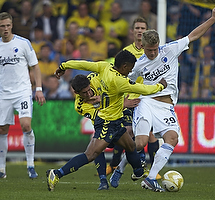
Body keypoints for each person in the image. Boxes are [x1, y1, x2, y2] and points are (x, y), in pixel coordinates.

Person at [127, 4, 215, 192]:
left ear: (158, 45)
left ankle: (151, 178)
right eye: (149, 50)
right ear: (143, 47)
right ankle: (122, 160)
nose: (153, 53)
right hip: (146, 102)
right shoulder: (139, 64)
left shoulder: (170, 50)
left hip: (166, 106)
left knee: (172, 138)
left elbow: (193, 35)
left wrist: (212, 19)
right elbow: (126, 82)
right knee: (140, 144)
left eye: (155, 49)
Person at [46, 49, 167, 191]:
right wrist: (160, 86)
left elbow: (83, 64)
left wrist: (64, 66)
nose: (130, 72)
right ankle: (57, 173)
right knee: (91, 154)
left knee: (131, 146)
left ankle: (139, 172)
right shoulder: (118, 81)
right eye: (130, 69)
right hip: (106, 123)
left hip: (115, 121)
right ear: (124, 66)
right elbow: (143, 89)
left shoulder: (104, 67)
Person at [109, 17, 162, 187]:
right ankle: (117, 165)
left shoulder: (155, 52)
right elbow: (119, 77)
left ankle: (151, 171)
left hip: (149, 99)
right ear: (132, 31)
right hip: (132, 98)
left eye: (143, 28)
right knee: (127, 133)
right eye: (137, 28)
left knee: (150, 137)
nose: (140, 31)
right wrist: (122, 99)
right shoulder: (127, 52)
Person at [71, 72, 141, 190]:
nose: (88, 94)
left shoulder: (96, 77)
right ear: (77, 93)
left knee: (129, 132)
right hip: (105, 119)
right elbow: (101, 115)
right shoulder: (80, 104)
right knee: (97, 147)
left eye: (89, 90)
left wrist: (103, 99)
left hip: (121, 107)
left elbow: (114, 85)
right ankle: (103, 180)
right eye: (84, 93)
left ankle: (121, 168)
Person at [0, 12, 46, 179]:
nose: (5, 29)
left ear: (11, 25)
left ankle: (30, 166)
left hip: (22, 92)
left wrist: (38, 89)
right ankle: (2, 169)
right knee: (2, 130)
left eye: (7, 25)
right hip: (3, 93)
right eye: (2, 26)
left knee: (26, 126)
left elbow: (35, 66)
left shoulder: (23, 43)